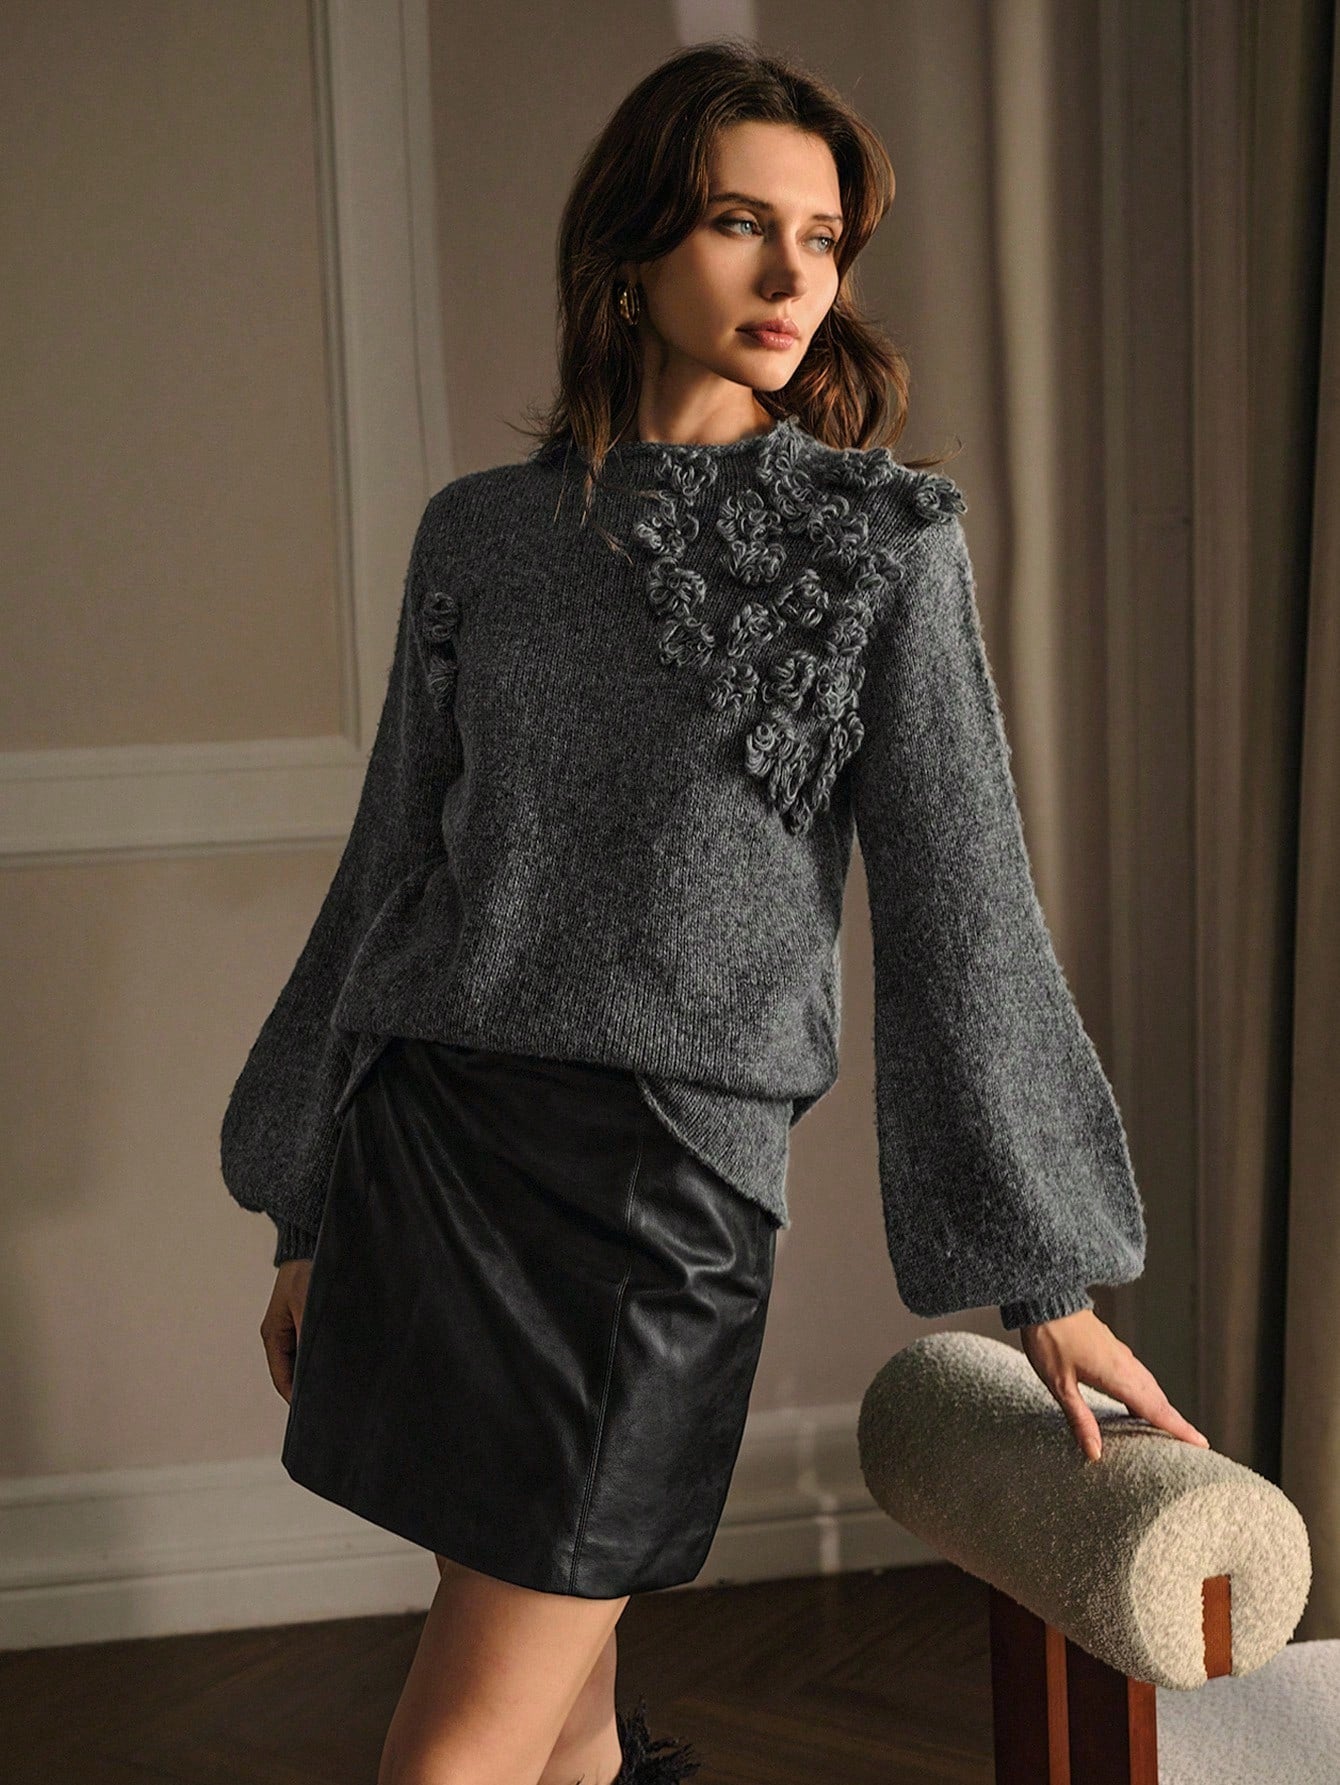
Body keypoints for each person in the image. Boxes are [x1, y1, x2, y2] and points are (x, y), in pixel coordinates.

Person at [224, 37, 1210, 1785]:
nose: (791, 276)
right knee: (560, 1729)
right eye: (742, 224)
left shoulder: (878, 543)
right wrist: (307, 1198)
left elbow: (962, 899)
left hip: (657, 1190)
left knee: (452, 1750)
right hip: (437, 1156)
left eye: (821, 239)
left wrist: (1040, 1278)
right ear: (632, 248)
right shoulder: (483, 537)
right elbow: (391, 870)